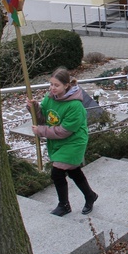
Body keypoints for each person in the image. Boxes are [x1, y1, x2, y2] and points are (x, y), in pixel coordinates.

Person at [27, 68, 98, 217]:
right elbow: (43, 119)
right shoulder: (50, 97)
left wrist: (41, 131)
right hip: (59, 141)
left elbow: (64, 131)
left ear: (66, 85)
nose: (52, 88)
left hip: (73, 141)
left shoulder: (75, 106)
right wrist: (34, 108)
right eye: (51, 84)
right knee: (73, 171)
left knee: (57, 173)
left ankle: (64, 205)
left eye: (56, 85)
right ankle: (90, 195)